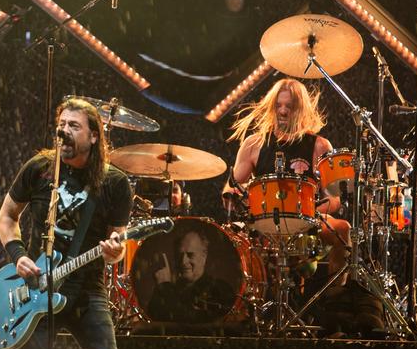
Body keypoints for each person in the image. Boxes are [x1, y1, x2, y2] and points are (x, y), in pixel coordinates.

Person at [0, 97, 133, 349]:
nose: (64, 131)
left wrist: (113, 252)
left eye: (74, 126)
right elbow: (7, 216)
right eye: (61, 124)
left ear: (94, 136)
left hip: (87, 291)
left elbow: (118, 245)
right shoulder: (39, 168)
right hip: (38, 289)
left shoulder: (114, 182)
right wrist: (19, 255)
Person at [221, 77, 351, 285]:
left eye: (289, 106)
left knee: (342, 229)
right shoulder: (254, 143)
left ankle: (335, 299)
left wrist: (313, 209)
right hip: (263, 222)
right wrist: (233, 196)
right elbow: (232, 185)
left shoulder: (319, 145)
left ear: (301, 109)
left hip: (307, 222)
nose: (282, 111)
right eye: (278, 105)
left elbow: (335, 198)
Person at [147, 228, 235, 323]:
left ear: (204, 256)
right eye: (180, 255)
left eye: (190, 255)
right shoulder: (171, 290)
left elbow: (190, 325)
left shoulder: (220, 290)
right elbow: (152, 321)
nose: (183, 262)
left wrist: (164, 287)